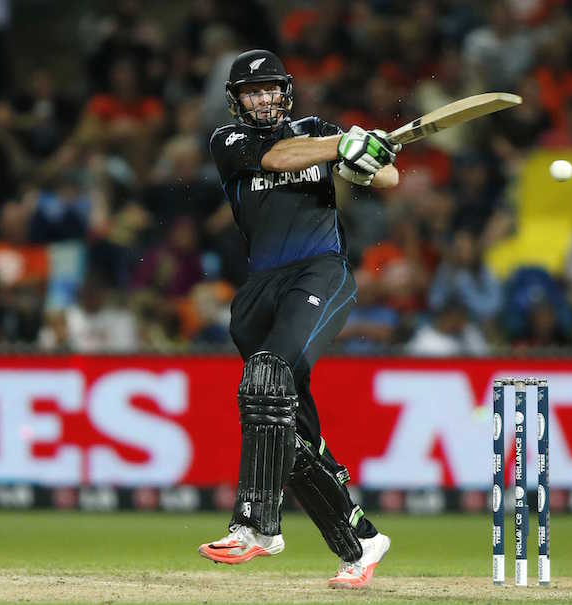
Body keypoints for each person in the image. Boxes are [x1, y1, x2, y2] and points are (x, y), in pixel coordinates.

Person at [196, 49, 400, 589]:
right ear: (236, 101)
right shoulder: (229, 141)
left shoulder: (318, 130)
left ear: (285, 92)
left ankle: (256, 525)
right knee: (289, 435)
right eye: (252, 91)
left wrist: (365, 156)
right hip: (259, 290)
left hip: (319, 273)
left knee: (267, 375)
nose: (263, 98)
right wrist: (344, 144)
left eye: (270, 88)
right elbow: (279, 158)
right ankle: (361, 543)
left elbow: (388, 178)